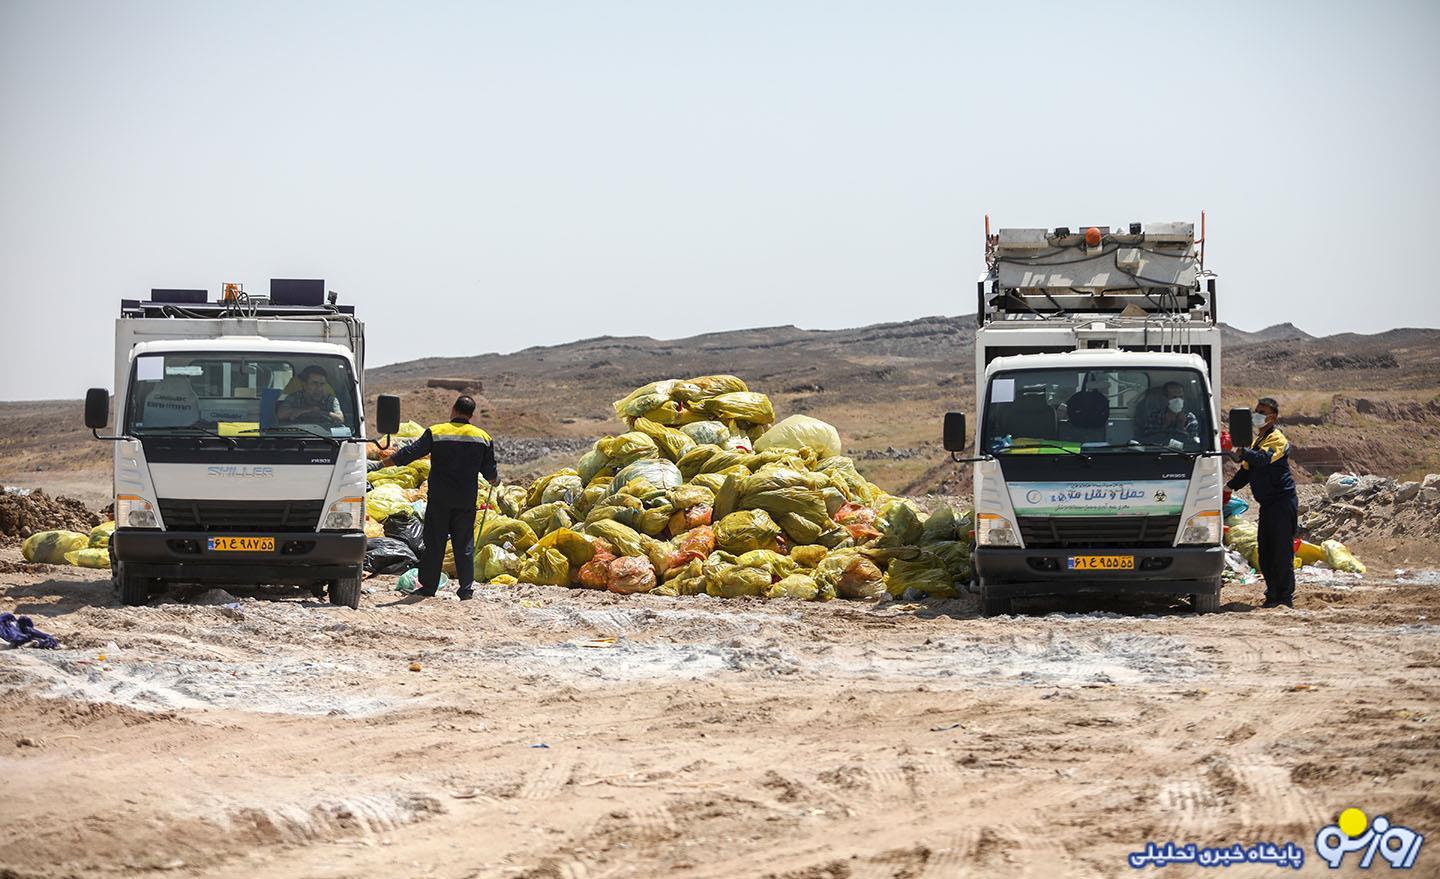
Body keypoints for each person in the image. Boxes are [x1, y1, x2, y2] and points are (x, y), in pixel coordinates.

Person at [384, 395, 498, 600]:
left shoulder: (436, 432)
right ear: (471, 414)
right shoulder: (483, 437)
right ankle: (466, 589)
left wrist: (385, 463)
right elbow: (490, 472)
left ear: (453, 409)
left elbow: (412, 452)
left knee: (434, 543)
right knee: (464, 544)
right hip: (465, 500)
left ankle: (428, 587)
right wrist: (495, 480)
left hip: (439, 499)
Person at [1227, 397, 1298, 608]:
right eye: (1256, 411)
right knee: (1266, 552)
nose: (1256, 415)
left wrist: (1242, 451)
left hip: (1282, 503)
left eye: (1261, 412)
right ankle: (1272, 594)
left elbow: (1262, 460)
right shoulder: (1258, 441)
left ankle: (1284, 597)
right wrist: (1227, 488)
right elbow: (1247, 471)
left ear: (1273, 416)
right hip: (1268, 505)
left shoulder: (1277, 439)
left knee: (1281, 551)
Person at [1140, 381, 1200, 446]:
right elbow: (1148, 441)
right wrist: (1165, 424)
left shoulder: (1190, 418)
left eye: (1181, 397)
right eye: (1174, 397)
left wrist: (1181, 425)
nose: (1178, 400)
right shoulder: (1154, 416)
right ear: (1165, 399)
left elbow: (1192, 445)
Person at [277, 366, 343, 425]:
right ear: (304, 385)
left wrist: (322, 413)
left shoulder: (330, 400)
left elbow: (340, 418)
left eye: (322, 384)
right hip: (297, 435)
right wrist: (308, 410)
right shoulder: (295, 397)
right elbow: (281, 414)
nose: (319, 388)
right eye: (314, 383)